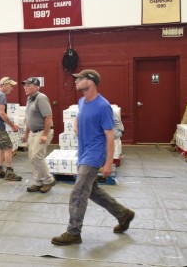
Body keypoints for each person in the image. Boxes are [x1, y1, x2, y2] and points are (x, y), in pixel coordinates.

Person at [52, 69, 134, 246]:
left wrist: (108, 162)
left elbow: (110, 135)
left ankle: (73, 232)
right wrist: (76, 126)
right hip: (83, 152)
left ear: (91, 82)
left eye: (80, 79)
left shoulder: (103, 106)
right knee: (93, 191)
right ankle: (123, 214)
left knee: (78, 192)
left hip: (94, 154)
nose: (76, 81)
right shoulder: (82, 101)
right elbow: (79, 118)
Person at [21, 77, 55, 193]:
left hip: (42, 131)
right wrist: (26, 134)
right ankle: (38, 182)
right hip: (33, 133)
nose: (25, 87)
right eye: (24, 85)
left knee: (37, 156)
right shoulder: (29, 99)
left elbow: (48, 117)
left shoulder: (41, 98)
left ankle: (48, 180)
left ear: (36, 87)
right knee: (32, 158)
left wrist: (45, 135)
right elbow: (29, 118)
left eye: (28, 85)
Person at [0, 77, 22, 181]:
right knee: (8, 147)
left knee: (1, 147)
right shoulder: (1, 95)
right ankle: (9, 172)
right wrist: (13, 126)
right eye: (10, 86)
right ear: (4, 85)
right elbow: (2, 113)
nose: (11, 88)